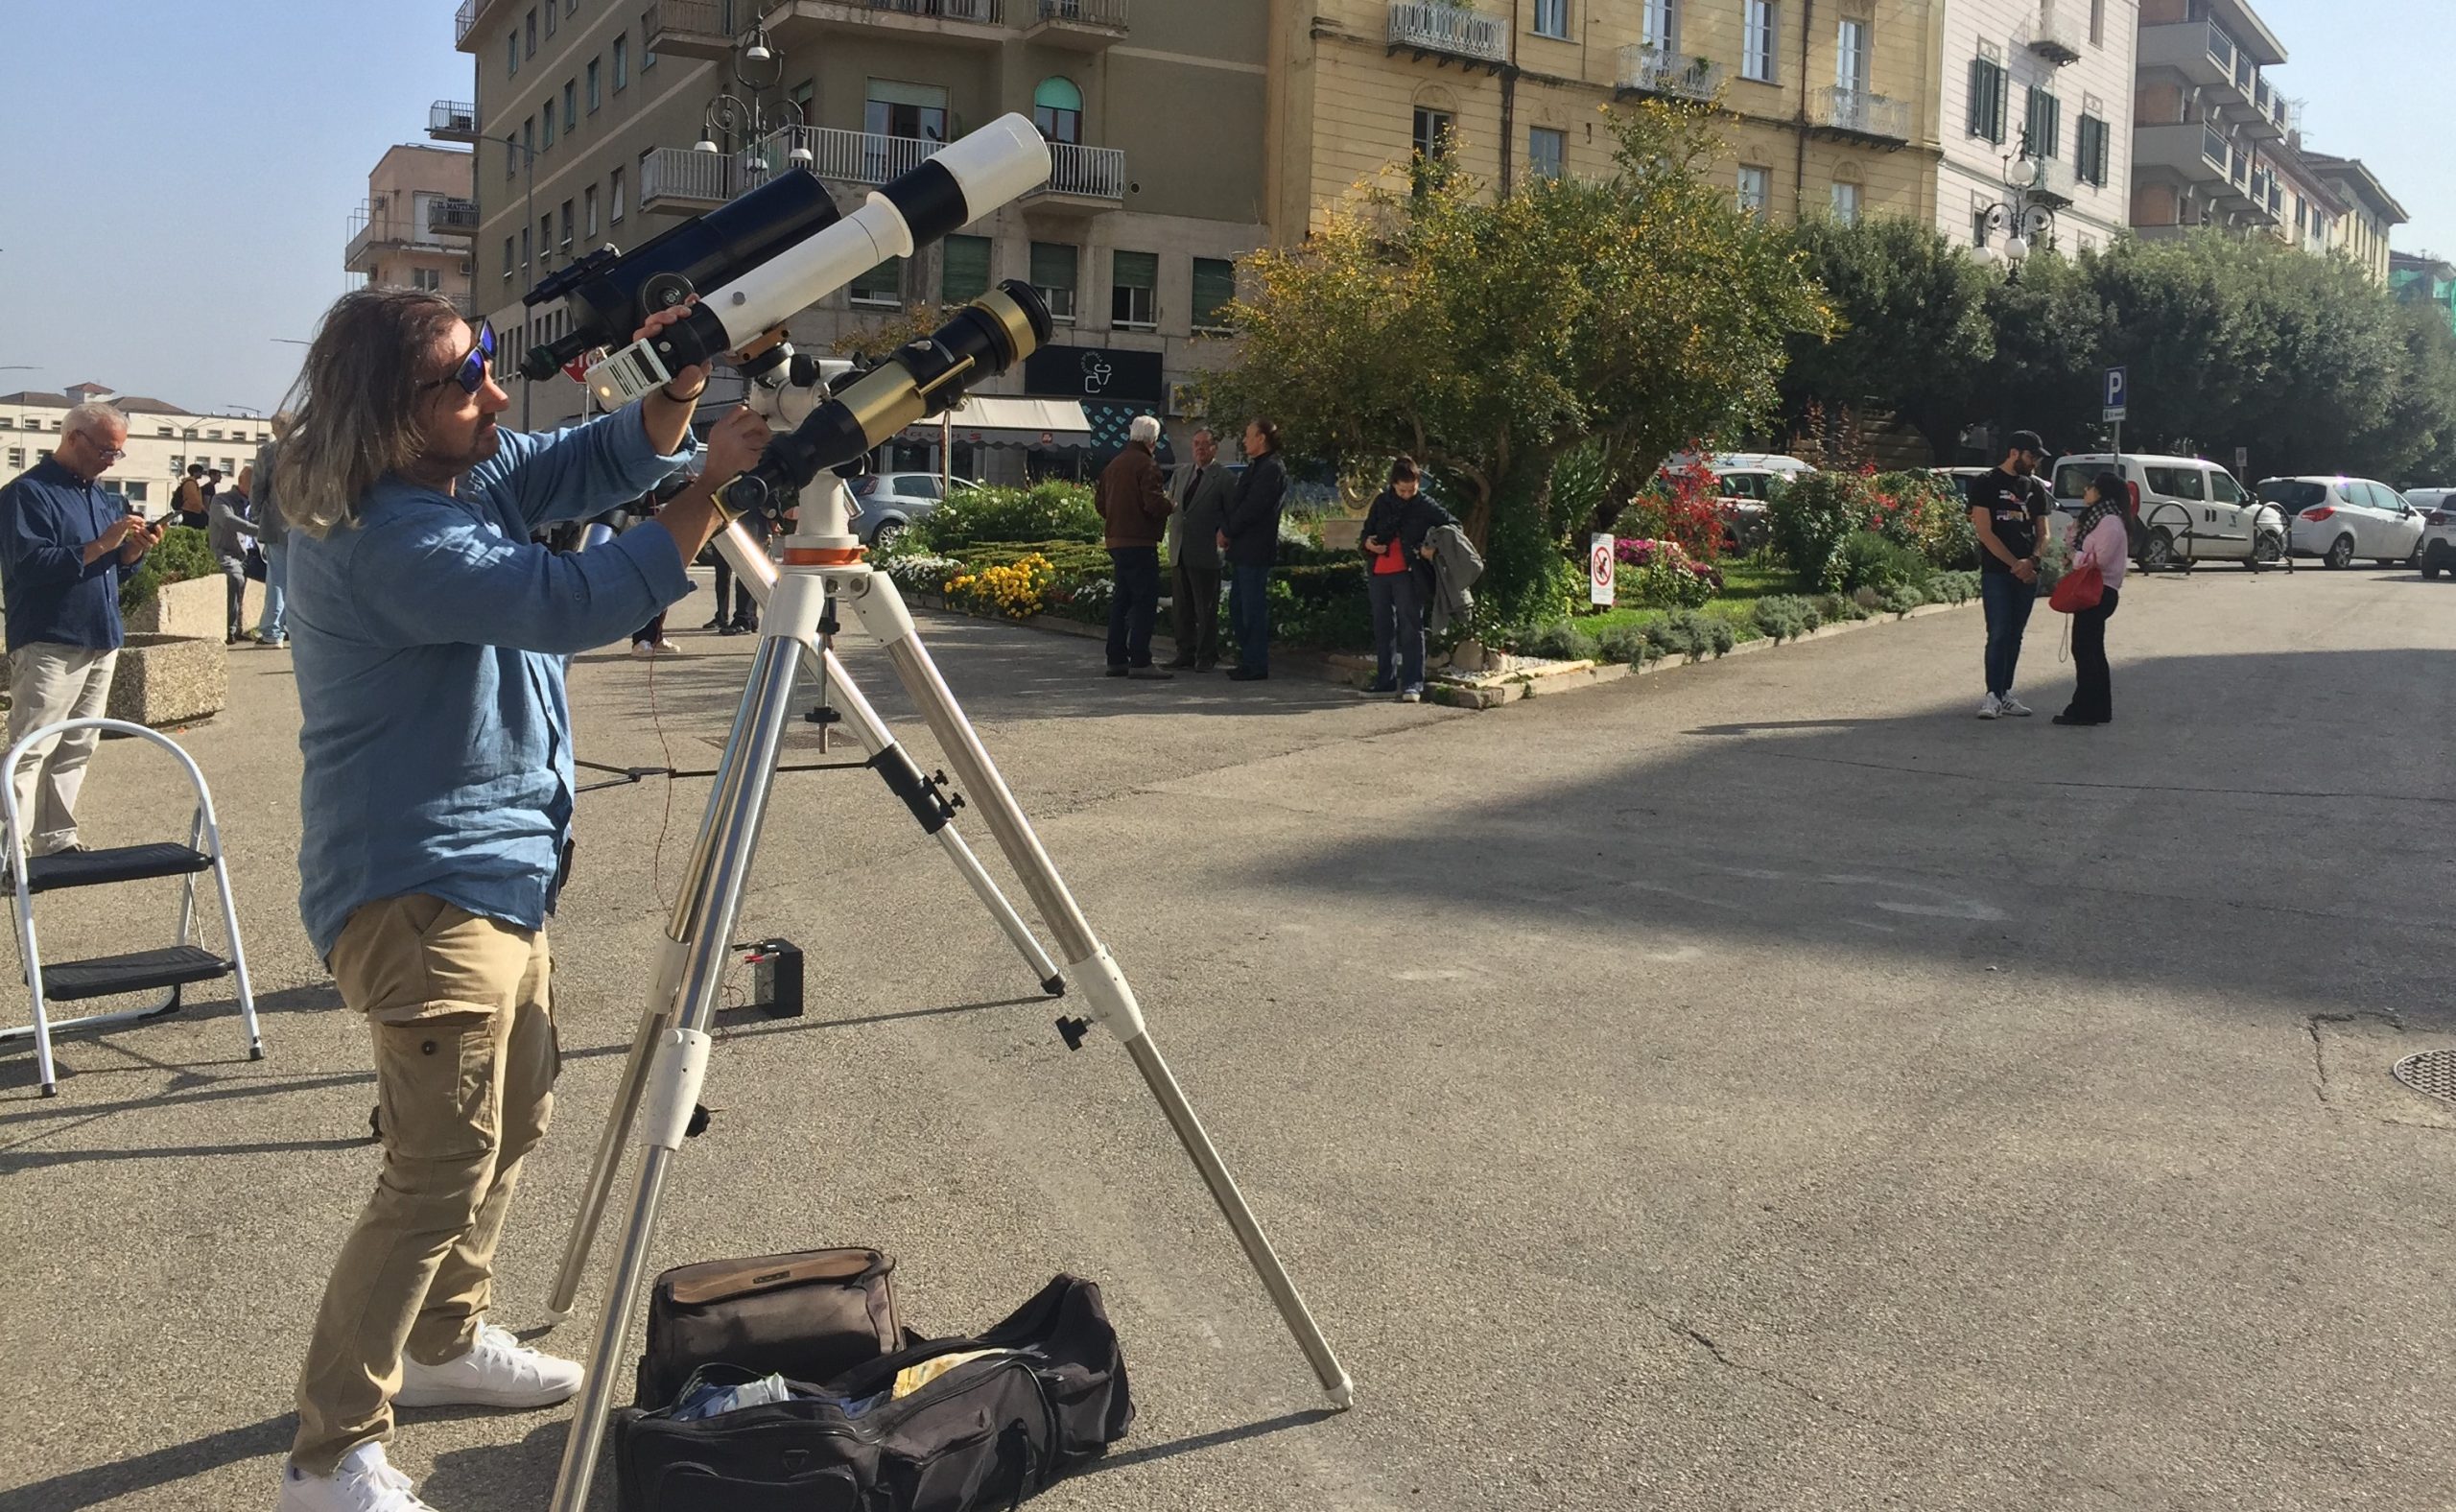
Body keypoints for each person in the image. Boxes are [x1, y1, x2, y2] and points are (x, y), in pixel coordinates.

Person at [272, 286, 770, 1512]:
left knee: (518, 1119)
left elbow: (583, 457)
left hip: (496, 872)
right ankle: (327, 1457)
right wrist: (707, 493)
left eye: (487, 364)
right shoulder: (389, 537)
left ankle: (443, 1345)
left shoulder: (454, 477)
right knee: (436, 1165)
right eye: (464, 379)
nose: (496, 394)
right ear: (394, 417)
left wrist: (679, 385)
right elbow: (575, 602)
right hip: (420, 888)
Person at [0, 401, 161, 858]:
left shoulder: (101, 495)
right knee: (31, 746)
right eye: (106, 450)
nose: (111, 460)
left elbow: (106, 569)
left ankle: (56, 840)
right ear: (73, 438)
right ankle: (8, 849)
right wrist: (102, 544)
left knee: (77, 744)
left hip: (100, 634)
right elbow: (29, 565)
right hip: (50, 637)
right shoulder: (26, 493)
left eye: (118, 454)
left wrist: (129, 554)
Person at [1966, 429, 2052, 720]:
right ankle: (1992, 695)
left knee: (2015, 635)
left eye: (2037, 459)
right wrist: (2015, 563)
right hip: (1997, 573)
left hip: (2028, 572)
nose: (2034, 463)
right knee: (1999, 632)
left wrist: (2034, 559)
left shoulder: (2035, 487)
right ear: (2014, 453)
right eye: (2031, 456)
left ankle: (2006, 693)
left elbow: (2044, 531)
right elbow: (1984, 531)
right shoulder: (1986, 483)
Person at [1357, 456, 1452, 703]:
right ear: (1393, 485)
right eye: (1402, 490)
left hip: (1409, 572)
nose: (1408, 494)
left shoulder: (1425, 505)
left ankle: (1412, 683)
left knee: (1411, 626)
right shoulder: (1381, 502)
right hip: (1379, 570)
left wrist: (1431, 547)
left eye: (1412, 489)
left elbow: (1452, 526)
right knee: (1383, 626)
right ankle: (1385, 680)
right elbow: (1366, 532)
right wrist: (1368, 543)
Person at [1096, 413, 1174, 678]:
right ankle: (1140, 660)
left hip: (1116, 540)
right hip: (1140, 541)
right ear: (1153, 440)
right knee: (1144, 600)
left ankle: (1115, 658)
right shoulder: (1147, 465)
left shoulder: (1114, 464)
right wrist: (1171, 505)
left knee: (1122, 600)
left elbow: (1099, 504)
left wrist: (1117, 518)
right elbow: (1153, 503)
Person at [2056, 471, 2129, 727]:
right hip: (2097, 589)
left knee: (2085, 649)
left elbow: (2101, 559)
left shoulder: (2109, 521)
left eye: (2091, 487)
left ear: (2101, 492)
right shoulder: (2097, 519)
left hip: (2099, 590)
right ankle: (2098, 707)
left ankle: (2084, 708)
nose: (2085, 491)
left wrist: (2076, 557)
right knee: (2093, 649)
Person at [1218, 417, 1288, 682]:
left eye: (1249, 436)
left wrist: (1228, 530)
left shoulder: (1272, 469)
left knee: (1252, 608)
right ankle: (1247, 659)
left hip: (1256, 549)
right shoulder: (1256, 467)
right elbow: (1238, 503)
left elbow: (1253, 508)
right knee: (1238, 606)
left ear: (1262, 438)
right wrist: (1225, 527)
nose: (1244, 440)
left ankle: (1256, 663)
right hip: (1242, 549)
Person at [1162, 427, 1234, 672]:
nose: (1199, 448)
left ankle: (1206, 654)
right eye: (1195, 444)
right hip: (1180, 549)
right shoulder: (1181, 474)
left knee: (1206, 608)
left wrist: (1224, 531)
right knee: (1182, 607)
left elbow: (1231, 513)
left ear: (1214, 448)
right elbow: (1172, 505)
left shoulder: (1223, 478)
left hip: (1205, 552)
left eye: (1205, 444)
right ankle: (1185, 652)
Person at [254, 415, 294, 647]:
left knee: (277, 578)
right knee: (296, 578)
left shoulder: (269, 452)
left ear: (277, 428)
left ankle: (273, 630)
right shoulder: (308, 447)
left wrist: (257, 513)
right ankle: (290, 626)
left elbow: (259, 485)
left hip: (276, 519)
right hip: (304, 522)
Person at [208, 473, 259, 644]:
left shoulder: (258, 503)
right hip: (229, 553)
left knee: (281, 577)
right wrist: (259, 530)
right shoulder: (221, 500)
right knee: (236, 578)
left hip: (254, 555)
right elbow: (228, 520)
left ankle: (279, 628)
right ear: (240, 482)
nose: (254, 490)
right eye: (251, 486)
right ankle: (231, 630)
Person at [172, 462, 208, 530]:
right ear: (195, 472)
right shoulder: (190, 483)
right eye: (200, 472)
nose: (202, 474)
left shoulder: (192, 482)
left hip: (192, 510)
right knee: (191, 529)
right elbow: (194, 498)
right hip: (191, 510)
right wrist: (203, 508)